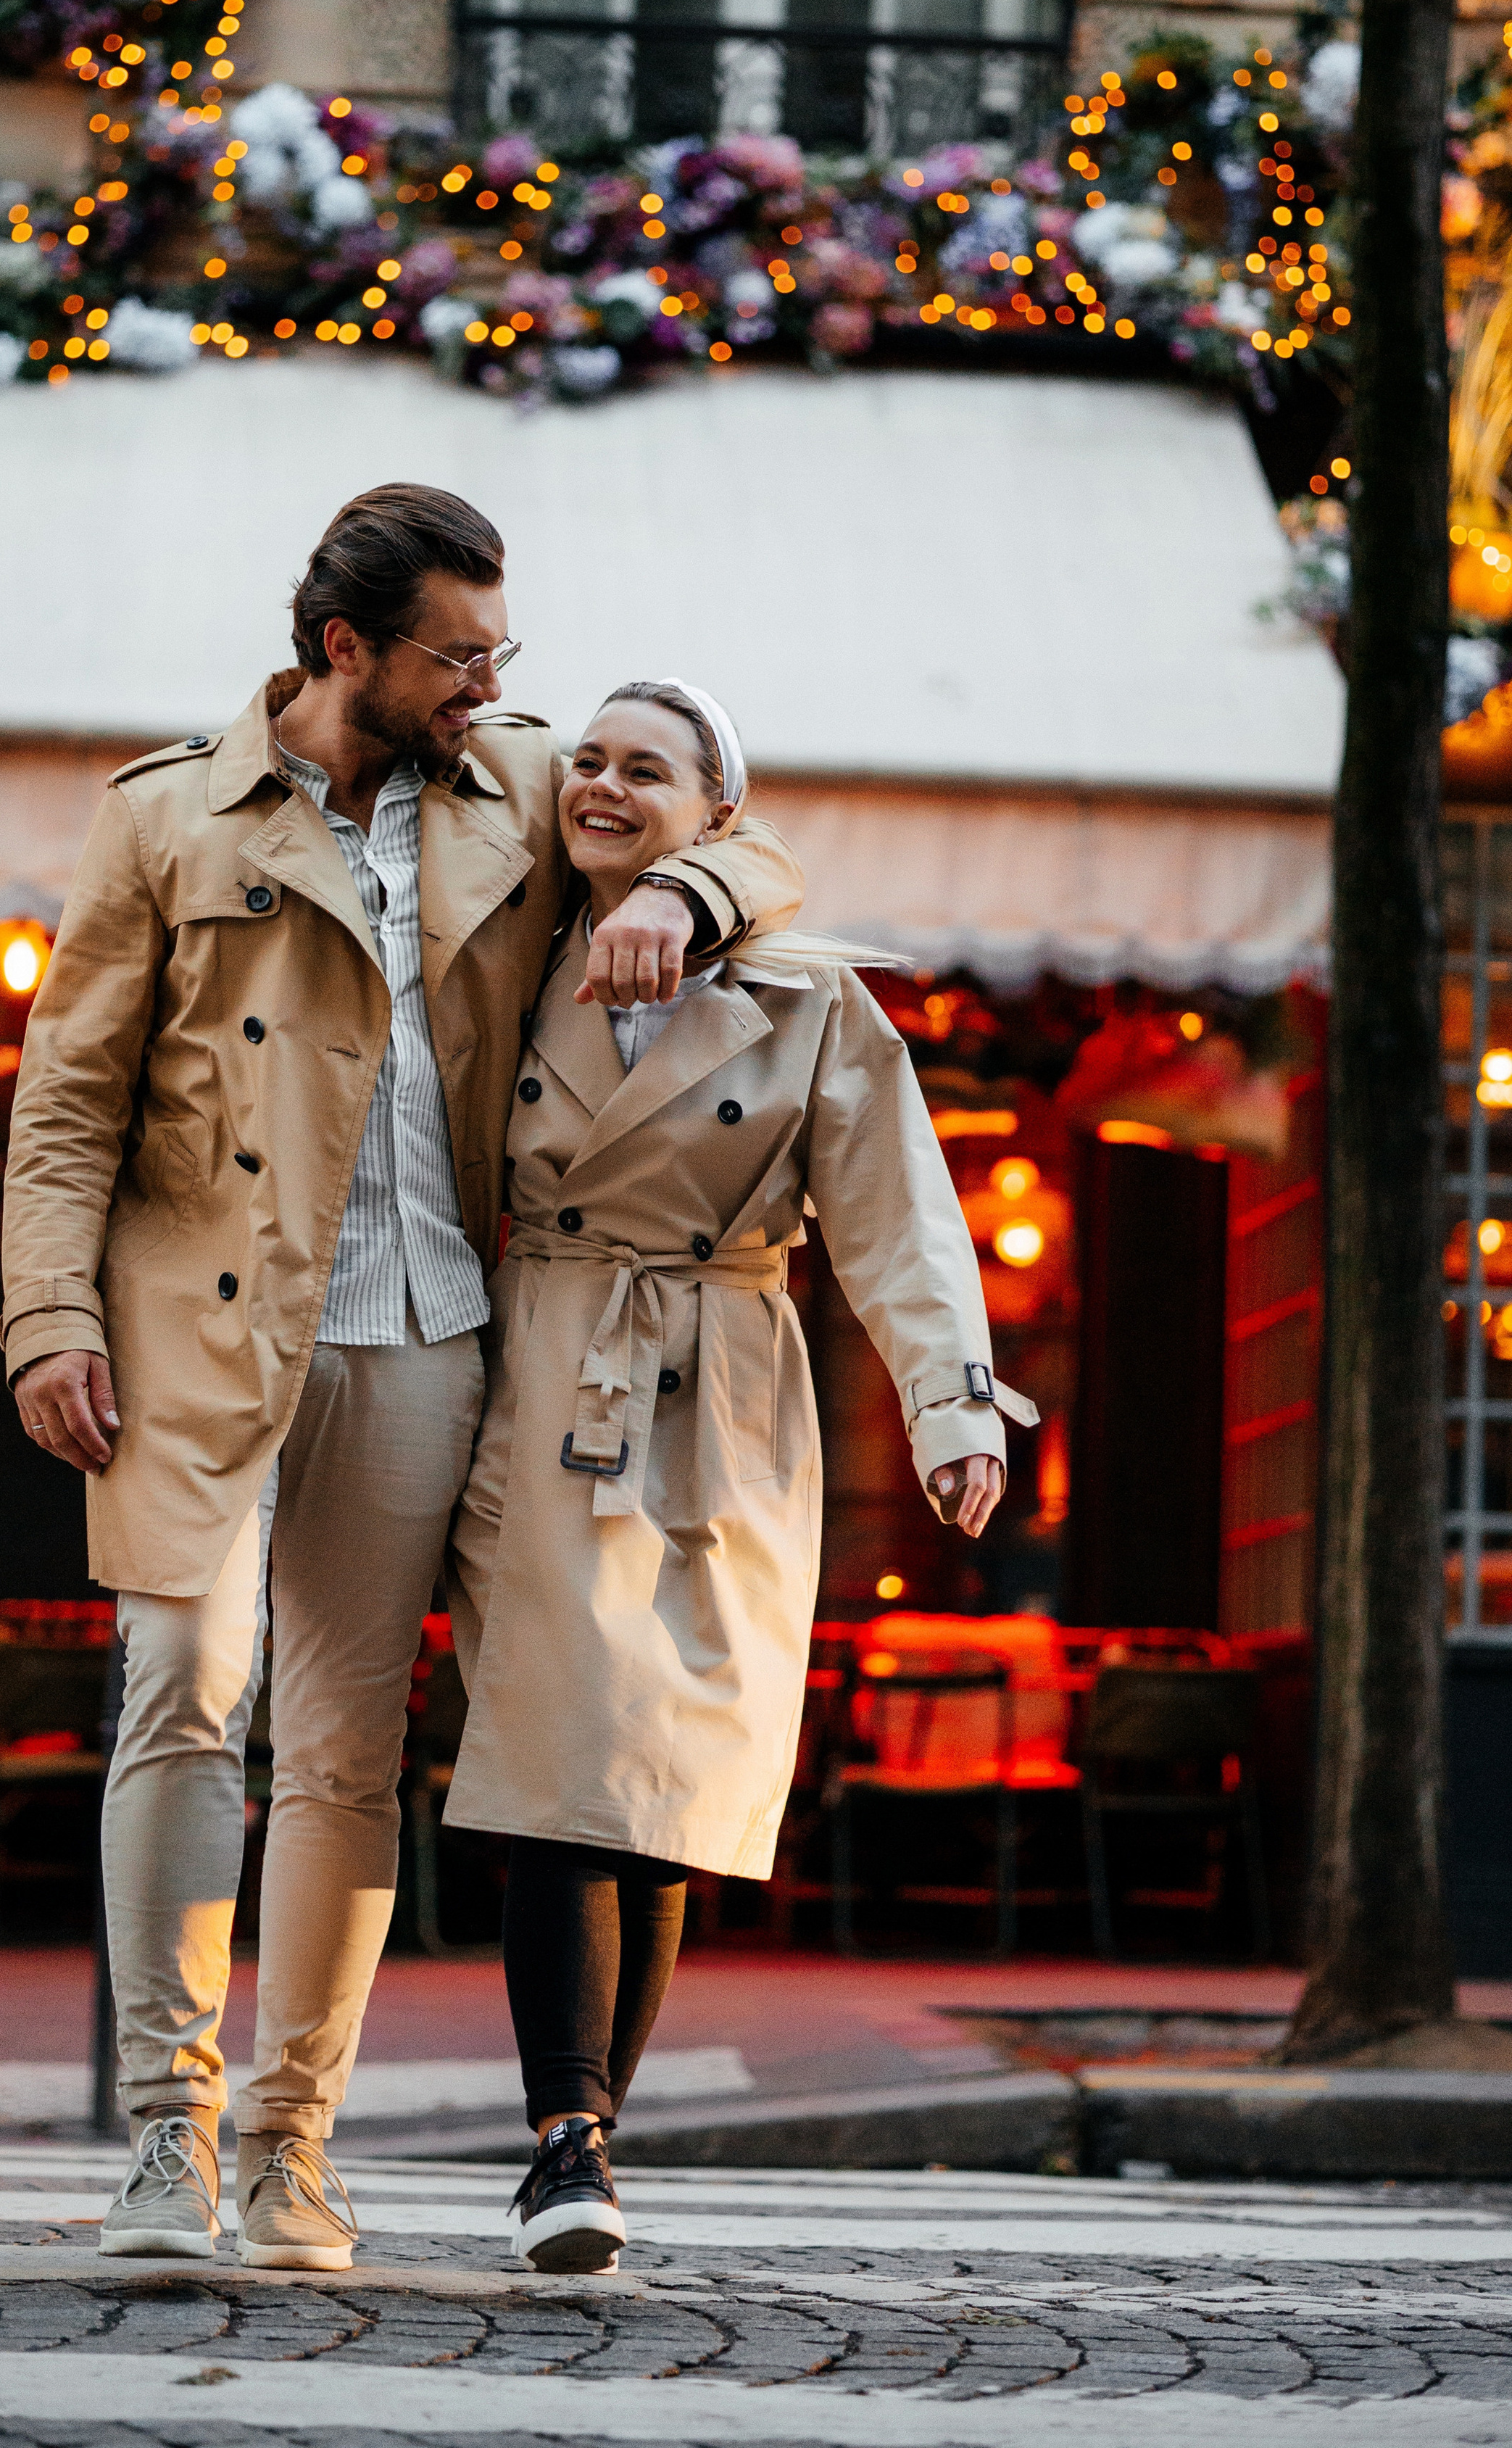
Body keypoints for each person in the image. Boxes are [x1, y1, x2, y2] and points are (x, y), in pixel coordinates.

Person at [0, 491, 802, 2270]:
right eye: (459, 655)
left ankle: (289, 2147)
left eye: (499, 655)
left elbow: (756, 850)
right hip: (190, 1333)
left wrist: (674, 884)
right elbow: (64, 1104)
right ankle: (165, 2141)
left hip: (426, 1328)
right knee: (181, 1702)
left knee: (346, 1758)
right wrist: (47, 1320)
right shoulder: (161, 818)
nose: (490, 685)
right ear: (344, 648)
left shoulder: (511, 782)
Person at [440, 679, 1035, 2274]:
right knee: (565, 1759)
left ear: (718, 812)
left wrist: (952, 1410)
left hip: (724, 1389)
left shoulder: (810, 1001)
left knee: (658, 1784)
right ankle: (565, 2136)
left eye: (647, 770)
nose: (602, 786)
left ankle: (589, 2150)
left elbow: (899, 1217)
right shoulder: (509, 954)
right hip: (556, 1366)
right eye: (590, 764)